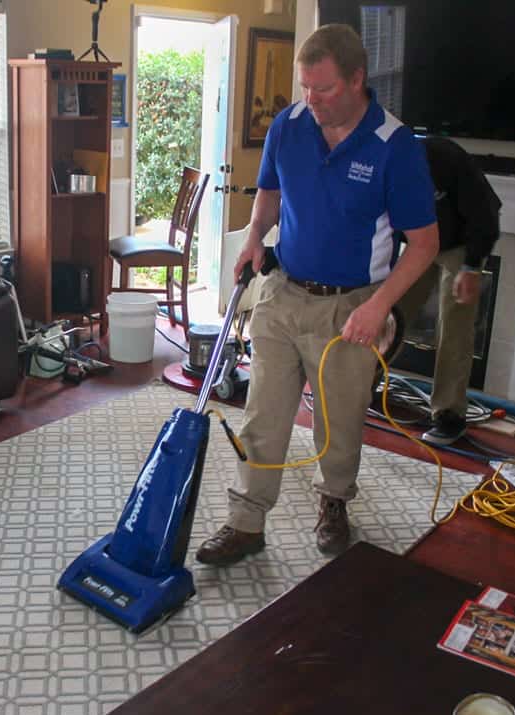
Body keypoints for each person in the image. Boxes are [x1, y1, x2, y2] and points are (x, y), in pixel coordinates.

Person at [195, 24, 439, 564]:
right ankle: (246, 520)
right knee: (263, 412)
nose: (312, 100)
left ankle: (333, 500)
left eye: (324, 89)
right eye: (305, 87)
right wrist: (255, 237)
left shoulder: (394, 146)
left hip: (351, 304)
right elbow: (270, 191)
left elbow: (424, 244)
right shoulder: (290, 124)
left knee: (339, 418)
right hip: (283, 293)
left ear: (357, 80)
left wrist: (379, 307)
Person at [395, 136, 501, 446]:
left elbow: (484, 217)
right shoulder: (385, 167)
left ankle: (448, 414)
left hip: (461, 240)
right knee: (389, 313)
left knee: (454, 326)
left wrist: (471, 268)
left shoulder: (445, 158)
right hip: (418, 241)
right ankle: (364, 384)